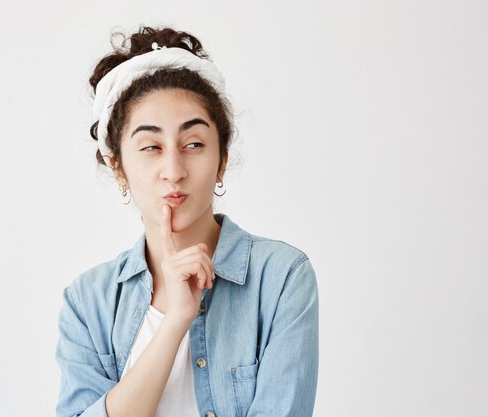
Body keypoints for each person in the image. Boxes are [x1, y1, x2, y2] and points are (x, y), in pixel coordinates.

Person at [55, 25, 319, 417]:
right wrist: (176, 320)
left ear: (222, 160)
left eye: (193, 144)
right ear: (119, 168)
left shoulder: (281, 278)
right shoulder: (87, 301)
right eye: (151, 147)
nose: (173, 170)